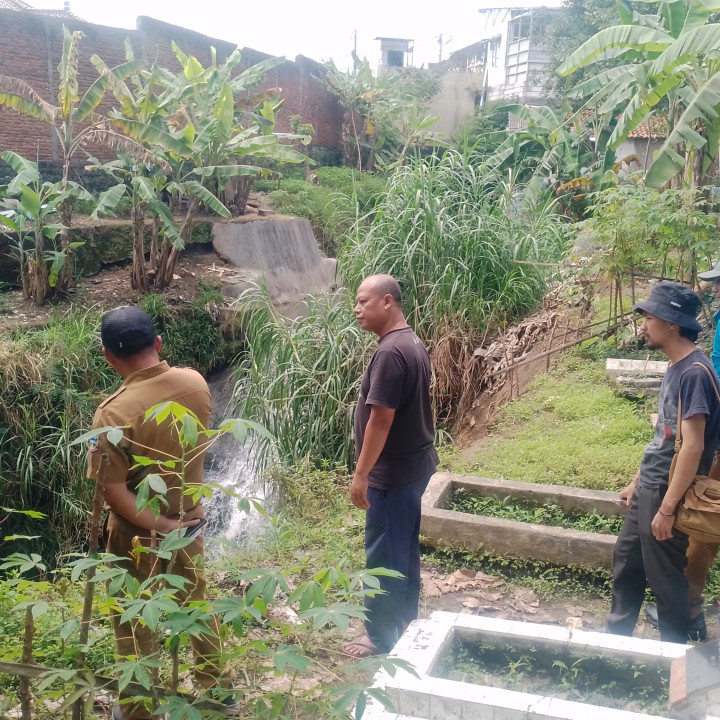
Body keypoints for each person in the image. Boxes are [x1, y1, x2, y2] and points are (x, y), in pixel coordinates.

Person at [86, 306, 233, 719]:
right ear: (157, 342)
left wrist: (163, 526)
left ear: (108, 356)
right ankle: (217, 690)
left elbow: (113, 491)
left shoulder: (112, 414)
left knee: (134, 616)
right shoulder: (194, 382)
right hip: (190, 520)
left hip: (136, 534)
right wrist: (177, 525)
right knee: (196, 603)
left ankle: (138, 707)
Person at [607, 282, 720, 644]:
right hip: (650, 485)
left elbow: (693, 447)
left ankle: (673, 656)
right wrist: (636, 481)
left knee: (666, 579)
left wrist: (668, 508)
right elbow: (666, 438)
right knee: (627, 562)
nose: (643, 326)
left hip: (667, 492)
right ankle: (614, 643)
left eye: (650, 318)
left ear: (672, 323)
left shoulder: (695, 373)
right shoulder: (676, 366)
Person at [341, 275, 439, 659]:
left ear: (386, 301)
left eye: (362, 301)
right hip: (413, 468)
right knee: (403, 552)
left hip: (392, 474)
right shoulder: (411, 342)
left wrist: (361, 475)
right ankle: (404, 621)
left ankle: (380, 636)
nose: (357, 309)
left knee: (383, 554)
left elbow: (381, 420)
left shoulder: (389, 353)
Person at [645, 262, 720, 641]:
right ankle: (687, 608)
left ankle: (687, 610)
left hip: (709, 434)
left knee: (702, 522)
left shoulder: (693, 371)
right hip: (707, 426)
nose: (716, 289)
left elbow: (692, 444)